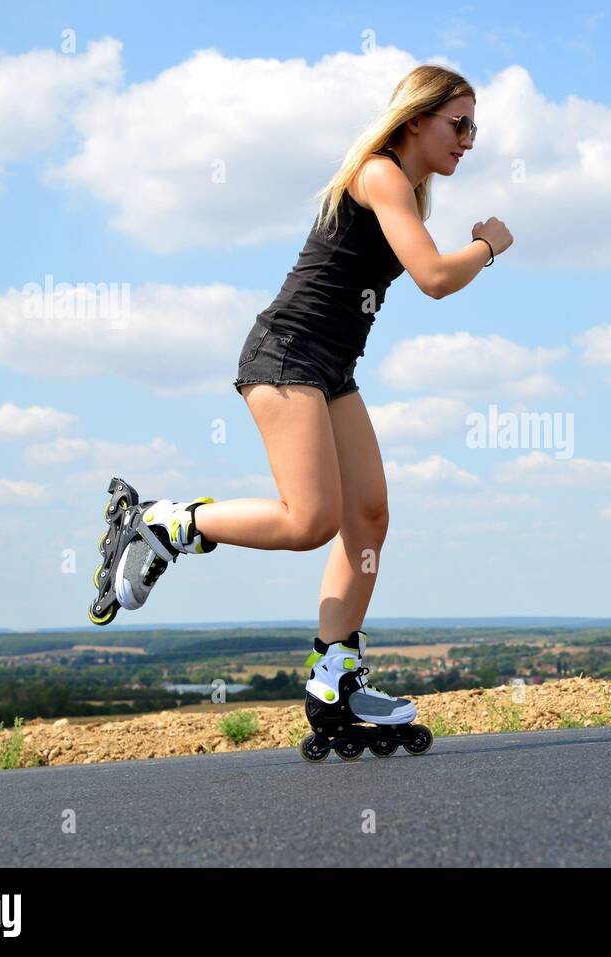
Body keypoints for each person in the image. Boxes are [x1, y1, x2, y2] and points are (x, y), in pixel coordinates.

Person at [96, 65, 512, 717]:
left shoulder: (401, 187)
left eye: (474, 129)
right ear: (414, 121)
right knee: (311, 520)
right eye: (459, 124)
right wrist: (488, 245)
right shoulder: (379, 173)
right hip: (286, 356)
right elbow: (432, 275)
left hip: (330, 369)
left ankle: (335, 678)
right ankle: (166, 522)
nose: (468, 139)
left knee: (368, 515)